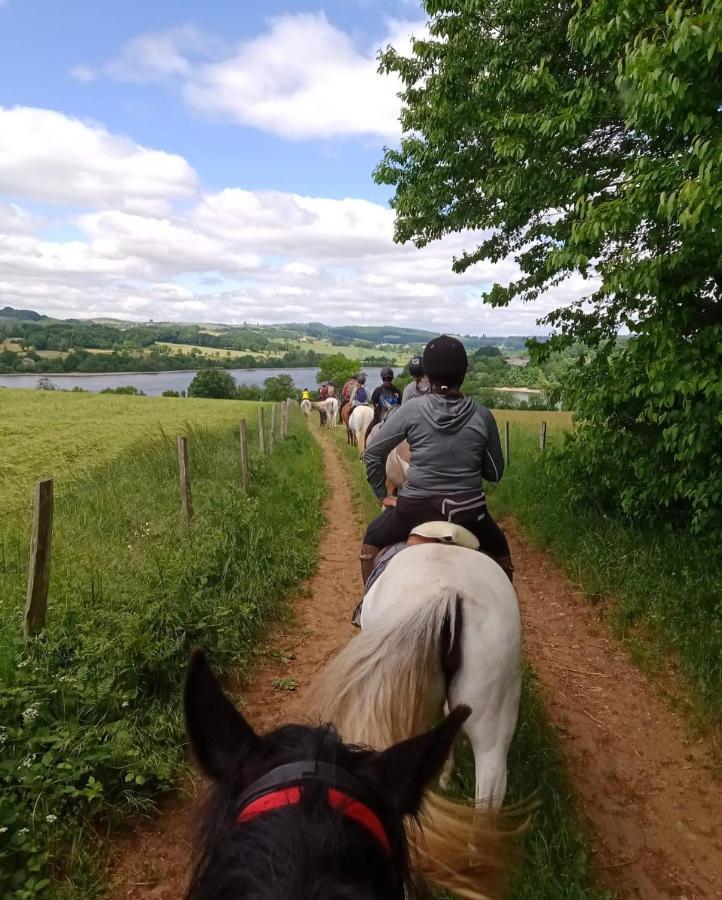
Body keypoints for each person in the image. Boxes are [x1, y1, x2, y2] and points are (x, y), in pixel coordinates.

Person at [359, 335, 513, 587]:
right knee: (501, 549)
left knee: (371, 539)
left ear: (427, 374)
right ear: (463, 374)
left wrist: (381, 494)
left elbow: (374, 453)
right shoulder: (483, 415)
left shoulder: (410, 410)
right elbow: (495, 472)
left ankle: (365, 606)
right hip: (470, 513)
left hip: (415, 510)